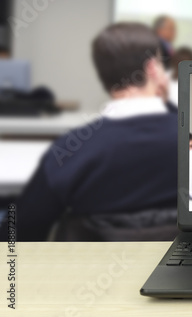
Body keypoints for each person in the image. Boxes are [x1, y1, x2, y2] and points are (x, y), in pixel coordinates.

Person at [15, 23, 178, 241]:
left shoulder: (68, 151)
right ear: (152, 69)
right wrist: (171, 106)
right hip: (184, 271)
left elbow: (21, 230)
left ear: (103, 75)